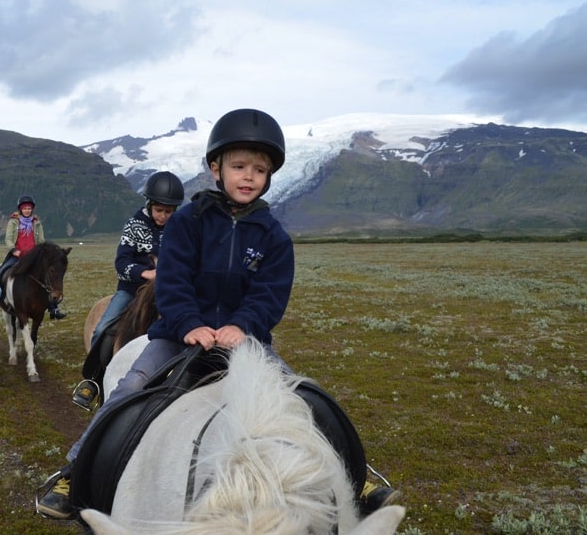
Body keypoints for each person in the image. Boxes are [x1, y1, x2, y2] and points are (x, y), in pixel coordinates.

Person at [36, 108, 400, 519]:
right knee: (130, 386)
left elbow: (269, 295)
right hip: (177, 335)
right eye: (240, 166)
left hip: (242, 341)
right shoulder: (187, 223)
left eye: (259, 170)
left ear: (269, 176)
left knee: (301, 398)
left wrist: (241, 326)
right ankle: (74, 472)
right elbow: (172, 282)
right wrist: (189, 324)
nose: (249, 176)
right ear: (216, 168)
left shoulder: (274, 237)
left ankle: (358, 478)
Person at [71, 170, 185, 410]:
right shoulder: (134, 225)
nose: (164, 216)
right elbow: (122, 261)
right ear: (150, 205)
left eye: (169, 211)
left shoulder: (180, 228)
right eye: (159, 210)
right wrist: (146, 273)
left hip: (167, 290)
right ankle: (93, 381)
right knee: (103, 327)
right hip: (132, 289)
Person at [0, 195, 66, 320]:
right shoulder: (13, 222)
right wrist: (13, 249)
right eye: (25, 208)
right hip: (17, 255)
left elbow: (41, 240)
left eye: (29, 208)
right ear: (20, 209)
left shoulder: (36, 223)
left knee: (48, 279)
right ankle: (0, 299)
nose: (27, 210)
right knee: (0, 273)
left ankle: (53, 308)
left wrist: (41, 253)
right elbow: (8, 238)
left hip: (33, 257)